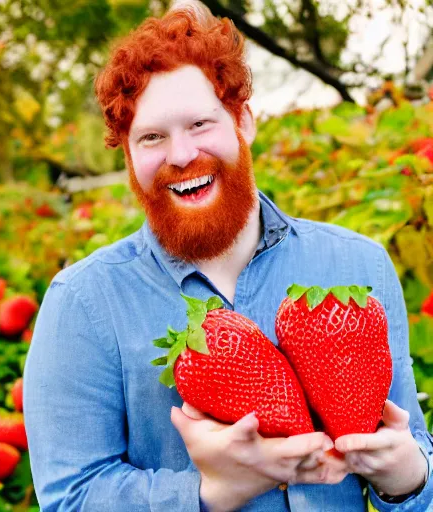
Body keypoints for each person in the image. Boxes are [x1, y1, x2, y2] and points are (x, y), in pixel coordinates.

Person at [23, 3, 433, 511]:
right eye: (151, 136)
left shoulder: (359, 267)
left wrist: (407, 476)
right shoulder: (83, 302)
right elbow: (70, 497)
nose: (179, 155)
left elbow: (413, 452)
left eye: (199, 123)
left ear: (244, 120)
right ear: (127, 154)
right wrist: (211, 493)